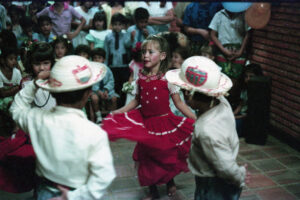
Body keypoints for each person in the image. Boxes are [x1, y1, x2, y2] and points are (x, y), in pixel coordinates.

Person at [102, 35, 196, 199]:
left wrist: (194, 117)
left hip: (164, 123)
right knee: (147, 157)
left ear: (162, 56)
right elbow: (136, 101)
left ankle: (169, 181)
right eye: (143, 52)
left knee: (165, 155)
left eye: (150, 52)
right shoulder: (141, 78)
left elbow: (179, 103)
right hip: (147, 125)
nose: (145, 55)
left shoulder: (168, 79)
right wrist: (119, 111)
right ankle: (152, 188)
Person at [10, 55, 116, 200]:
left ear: (52, 93)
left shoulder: (37, 119)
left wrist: (34, 85)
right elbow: (104, 176)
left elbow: (16, 109)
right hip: (78, 193)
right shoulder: (94, 133)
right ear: (88, 93)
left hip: (44, 191)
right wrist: (73, 197)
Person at [165, 56, 251, 200]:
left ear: (189, 94)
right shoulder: (221, 101)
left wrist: (239, 174)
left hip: (214, 184)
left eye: (183, 90)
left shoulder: (206, 131)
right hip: (220, 171)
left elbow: (225, 167)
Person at [209, 7, 251, 109]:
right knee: (223, 77)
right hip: (223, 49)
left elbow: (248, 33)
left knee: (236, 79)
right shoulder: (219, 15)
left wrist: (241, 51)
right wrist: (224, 50)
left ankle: (232, 105)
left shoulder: (244, 15)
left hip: (239, 50)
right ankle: (220, 104)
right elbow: (213, 34)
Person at [21, 42, 56, 110]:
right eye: (37, 64)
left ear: (52, 63)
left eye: (46, 63)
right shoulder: (26, 83)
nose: (42, 68)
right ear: (30, 64)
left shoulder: (58, 79)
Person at [104, 13, 130, 107]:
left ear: (123, 25)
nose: (117, 27)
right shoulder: (108, 37)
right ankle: (115, 107)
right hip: (112, 66)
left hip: (123, 65)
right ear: (111, 25)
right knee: (114, 86)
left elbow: (128, 47)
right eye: (115, 24)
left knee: (124, 87)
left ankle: (123, 105)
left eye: (119, 24)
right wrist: (105, 65)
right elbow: (106, 51)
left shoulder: (126, 35)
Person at [90, 48, 119, 123]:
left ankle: (112, 116)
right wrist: (99, 91)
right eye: (95, 58)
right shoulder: (91, 70)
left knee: (114, 98)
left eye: (99, 58)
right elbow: (91, 82)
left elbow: (111, 81)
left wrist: (106, 90)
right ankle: (99, 116)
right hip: (95, 91)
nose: (97, 60)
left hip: (107, 91)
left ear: (103, 59)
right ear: (92, 59)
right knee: (94, 98)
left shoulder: (107, 69)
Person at [234, 63, 263, 137]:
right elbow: (241, 105)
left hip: (249, 118)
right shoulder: (245, 89)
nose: (248, 79)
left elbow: (251, 113)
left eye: (251, 76)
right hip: (242, 114)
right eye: (246, 76)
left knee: (236, 124)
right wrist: (232, 114)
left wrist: (236, 117)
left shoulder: (259, 93)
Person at [168, 46, 192, 117]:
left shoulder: (187, 70)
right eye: (172, 56)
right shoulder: (170, 69)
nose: (173, 59)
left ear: (183, 60)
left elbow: (186, 83)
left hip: (181, 96)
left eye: (176, 57)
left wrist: (179, 69)